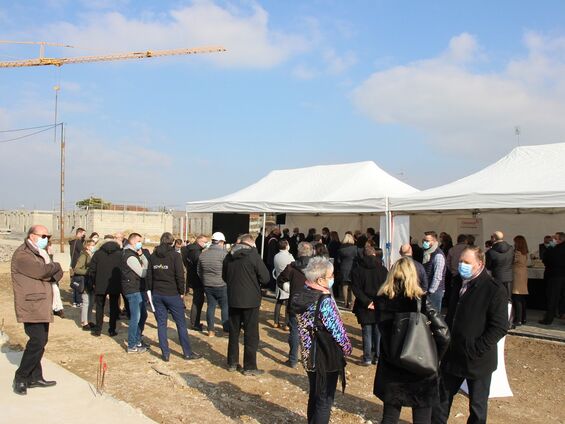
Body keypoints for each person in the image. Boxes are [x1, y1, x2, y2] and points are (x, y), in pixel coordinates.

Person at [432, 246, 508, 424]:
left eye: (467, 262)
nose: (461, 265)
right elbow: (453, 315)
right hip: (452, 354)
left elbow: (499, 327)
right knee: (441, 400)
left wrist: (476, 349)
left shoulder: (494, 289)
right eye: (460, 261)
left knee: (477, 407)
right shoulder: (457, 281)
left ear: (480, 264)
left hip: (478, 360)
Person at [374, 257, 450, 424]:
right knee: (422, 418)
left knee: (389, 417)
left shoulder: (381, 300)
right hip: (420, 365)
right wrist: (435, 357)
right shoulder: (421, 301)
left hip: (392, 364)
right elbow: (444, 333)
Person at [293, 256, 352, 424]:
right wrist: (347, 348)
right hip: (325, 356)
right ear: (320, 279)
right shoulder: (323, 300)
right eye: (331, 275)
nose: (333, 278)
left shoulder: (303, 292)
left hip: (308, 353)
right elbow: (337, 331)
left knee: (315, 394)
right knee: (324, 400)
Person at [11, 225, 63, 395]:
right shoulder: (23, 255)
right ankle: (21, 377)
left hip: (42, 303)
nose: (46, 239)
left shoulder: (40, 254)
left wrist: (53, 268)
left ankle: (35, 376)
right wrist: (54, 266)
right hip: (31, 304)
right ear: (32, 236)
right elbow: (42, 272)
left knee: (41, 341)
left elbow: (54, 273)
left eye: (48, 236)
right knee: (37, 341)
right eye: (43, 235)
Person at [148, 232, 201, 361]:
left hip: (157, 294)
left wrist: (151, 291)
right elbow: (180, 276)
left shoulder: (153, 256)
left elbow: (149, 276)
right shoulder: (175, 256)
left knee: (161, 324)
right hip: (172, 294)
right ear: (172, 242)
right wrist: (181, 292)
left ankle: (165, 353)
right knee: (181, 324)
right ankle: (187, 353)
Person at [223, 233, 270, 375]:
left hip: (233, 299)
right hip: (251, 301)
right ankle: (249, 367)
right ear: (251, 243)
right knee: (251, 334)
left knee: (234, 332)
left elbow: (224, 276)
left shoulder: (228, 256)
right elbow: (266, 278)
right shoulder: (253, 256)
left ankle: (232, 362)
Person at [277, 241, 313, 368]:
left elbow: (280, 279)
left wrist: (285, 287)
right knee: (309, 331)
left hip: (296, 302)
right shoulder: (316, 268)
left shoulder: (292, 267)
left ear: (299, 252)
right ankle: (307, 359)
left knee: (295, 331)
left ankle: (293, 359)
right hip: (311, 302)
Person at [351, 246, 388, 366]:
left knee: (366, 332)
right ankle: (377, 356)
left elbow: (356, 289)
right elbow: (386, 288)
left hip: (364, 305)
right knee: (378, 331)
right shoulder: (383, 270)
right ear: (374, 255)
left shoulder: (357, 270)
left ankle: (367, 358)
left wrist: (367, 302)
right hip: (378, 304)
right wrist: (377, 302)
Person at [121, 232, 150, 353]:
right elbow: (142, 273)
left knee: (143, 315)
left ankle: (138, 340)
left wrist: (142, 255)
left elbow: (146, 264)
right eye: (139, 241)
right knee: (136, 318)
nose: (140, 243)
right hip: (133, 290)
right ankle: (132, 345)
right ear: (132, 241)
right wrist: (149, 271)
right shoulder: (130, 256)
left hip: (137, 288)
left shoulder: (134, 254)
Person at [89, 235, 122, 337]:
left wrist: (93, 282)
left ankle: (98, 329)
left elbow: (92, 270)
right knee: (113, 307)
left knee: (99, 307)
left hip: (100, 283)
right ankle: (112, 329)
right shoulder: (120, 254)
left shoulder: (97, 254)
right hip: (115, 283)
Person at [198, 232, 229, 336]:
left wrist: (205, 280)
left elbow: (199, 270)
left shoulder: (203, 254)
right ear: (220, 242)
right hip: (221, 284)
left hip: (207, 285)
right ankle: (226, 328)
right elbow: (228, 270)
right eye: (223, 242)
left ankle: (210, 330)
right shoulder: (224, 254)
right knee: (224, 306)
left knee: (211, 306)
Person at [181, 235, 209, 331]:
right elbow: (199, 267)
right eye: (205, 242)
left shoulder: (187, 249)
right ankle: (195, 323)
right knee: (198, 301)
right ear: (200, 241)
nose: (206, 244)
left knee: (197, 300)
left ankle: (194, 322)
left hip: (191, 277)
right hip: (197, 279)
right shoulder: (197, 252)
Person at [539, 232, 565, 325]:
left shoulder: (554, 249)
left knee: (552, 298)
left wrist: (550, 247)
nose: (552, 240)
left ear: (559, 240)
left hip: (555, 276)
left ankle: (548, 318)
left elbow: (546, 259)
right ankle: (562, 313)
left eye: (554, 238)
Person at [73, 239, 96, 331]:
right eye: (92, 245)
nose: (93, 247)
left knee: (91, 303)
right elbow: (76, 269)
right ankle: (84, 322)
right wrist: (88, 272)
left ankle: (89, 320)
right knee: (86, 302)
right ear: (87, 246)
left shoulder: (92, 255)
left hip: (91, 282)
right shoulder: (84, 256)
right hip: (85, 281)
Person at [485, 231, 514, 301]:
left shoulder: (490, 252)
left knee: (498, 300)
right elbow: (512, 261)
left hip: (496, 277)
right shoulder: (511, 249)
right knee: (508, 300)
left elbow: (488, 266)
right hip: (509, 278)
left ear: (494, 238)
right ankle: (508, 312)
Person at [273, 239, 294, 329]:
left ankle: (276, 322)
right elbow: (293, 267)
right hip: (287, 282)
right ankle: (286, 324)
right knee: (288, 303)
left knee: (279, 302)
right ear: (286, 246)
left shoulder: (276, 256)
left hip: (278, 280)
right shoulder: (289, 257)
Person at [422, 231, 446, 311]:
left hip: (435, 291)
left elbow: (438, 276)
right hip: (428, 289)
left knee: (434, 316)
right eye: (424, 240)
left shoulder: (438, 255)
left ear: (434, 241)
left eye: (427, 241)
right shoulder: (427, 253)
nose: (425, 242)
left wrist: (431, 291)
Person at [511, 235, 529, 328]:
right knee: (522, 298)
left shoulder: (517, 253)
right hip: (523, 274)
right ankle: (523, 318)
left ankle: (518, 319)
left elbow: (511, 261)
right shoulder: (525, 253)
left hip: (517, 275)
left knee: (517, 297)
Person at [338, 233, 357, 309]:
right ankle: (352, 303)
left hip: (344, 267)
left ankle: (345, 302)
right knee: (353, 286)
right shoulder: (355, 248)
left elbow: (338, 260)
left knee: (345, 286)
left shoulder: (340, 249)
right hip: (353, 267)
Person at [265, 227, 281, 292]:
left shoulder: (272, 239)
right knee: (273, 275)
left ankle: (272, 286)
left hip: (271, 260)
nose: (280, 233)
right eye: (279, 231)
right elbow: (273, 252)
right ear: (276, 232)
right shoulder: (273, 240)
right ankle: (272, 287)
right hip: (272, 260)